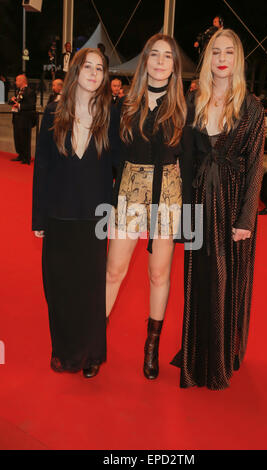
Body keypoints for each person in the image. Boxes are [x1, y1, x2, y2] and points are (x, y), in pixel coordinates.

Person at [171, 29, 265, 390]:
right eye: (215, 52)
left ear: (237, 59)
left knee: (227, 279)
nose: (222, 58)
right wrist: (182, 215)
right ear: (207, 58)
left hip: (231, 202)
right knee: (197, 278)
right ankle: (196, 353)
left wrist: (246, 219)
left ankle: (221, 357)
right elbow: (186, 161)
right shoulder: (194, 100)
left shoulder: (252, 106)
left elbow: (255, 166)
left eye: (228, 52)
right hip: (197, 201)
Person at [32, 48, 121, 378]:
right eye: (89, 66)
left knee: (91, 288)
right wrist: (39, 217)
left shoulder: (110, 115)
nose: (95, 72)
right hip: (58, 214)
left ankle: (92, 353)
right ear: (75, 70)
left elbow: (120, 165)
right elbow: (42, 167)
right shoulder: (54, 112)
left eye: (100, 68)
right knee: (59, 287)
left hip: (94, 217)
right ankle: (64, 350)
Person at [106, 33, 187, 380]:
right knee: (114, 270)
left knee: (159, 274)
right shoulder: (124, 105)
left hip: (167, 194)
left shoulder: (186, 107)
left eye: (167, 56)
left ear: (174, 66)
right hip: (129, 191)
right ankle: (96, 340)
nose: (159, 61)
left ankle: (150, 348)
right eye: (154, 54)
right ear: (145, 61)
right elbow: (111, 155)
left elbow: (195, 159)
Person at [10, 74, 36, 165]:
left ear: (22, 81)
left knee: (25, 138)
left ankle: (26, 157)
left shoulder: (30, 91)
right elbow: (16, 102)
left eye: (17, 80)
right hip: (17, 118)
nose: (15, 82)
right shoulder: (19, 91)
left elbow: (32, 105)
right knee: (17, 138)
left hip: (25, 119)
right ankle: (20, 155)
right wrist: (13, 100)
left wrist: (19, 105)